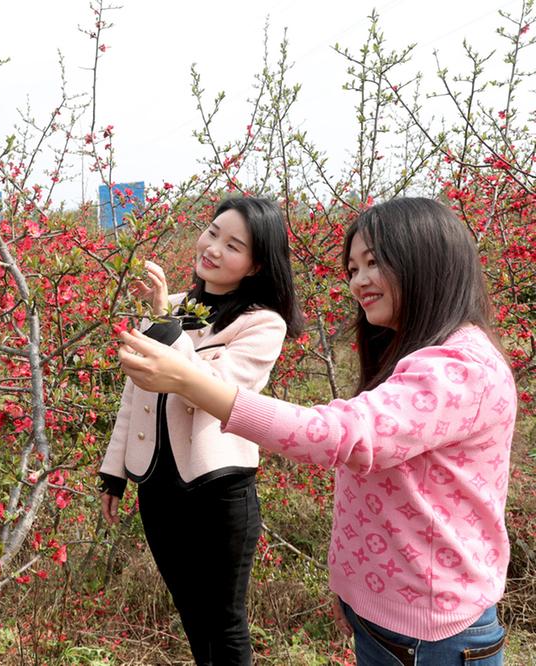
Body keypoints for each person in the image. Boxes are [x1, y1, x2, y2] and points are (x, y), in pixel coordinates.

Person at [118, 198, 515, 664]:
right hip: (391, 623)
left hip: (433, 639)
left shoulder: (459, 367)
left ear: (426, 258)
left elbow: (336, 435)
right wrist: (352, 588)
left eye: (375, 262)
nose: (359, 281)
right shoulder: (415, 355)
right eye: (353, 267)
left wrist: (187, 380)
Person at [100, 197, 303, 664]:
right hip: (157, 488)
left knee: (225, 623)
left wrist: (165, 324)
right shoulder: (168, 308)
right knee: (191, 614)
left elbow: (217, 391)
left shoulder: (260, 323)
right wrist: (114, 471)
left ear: (256, 265)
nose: (212, 248)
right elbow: (135, 396)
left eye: (234, 245)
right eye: (212, 232)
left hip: (218, 493)